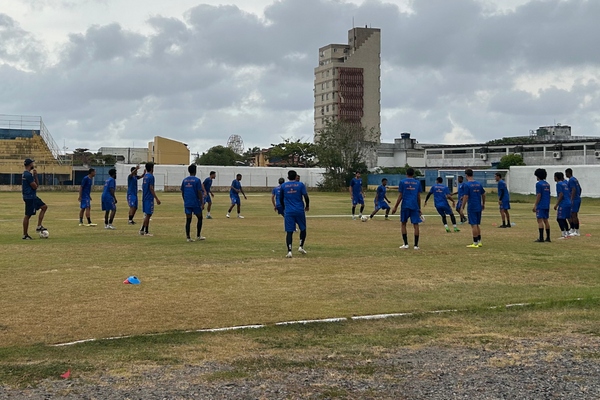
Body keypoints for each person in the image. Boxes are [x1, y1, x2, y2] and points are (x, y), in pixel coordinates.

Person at [279, 170, 309, 258]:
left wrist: (284, 207)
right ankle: (300, 246)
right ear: (296, 176)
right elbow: (306, 196)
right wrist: (307, 206)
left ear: (287, 177)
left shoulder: (284, 186)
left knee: (289, 231)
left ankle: (289, 251)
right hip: (299, 210)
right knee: (303, 228)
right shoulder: (300, 185)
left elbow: (281, 198)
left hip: (289, 211)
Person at [391, 168, 422, 250]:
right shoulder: (417, 183)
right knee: (416, 225)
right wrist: (419, 208)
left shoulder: (402, 182)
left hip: (405, 205)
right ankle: (416, 245)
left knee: (403, 224)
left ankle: (406, 244)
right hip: (414, 205)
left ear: (406, 173)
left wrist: (395, 207)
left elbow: (400, 195)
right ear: (413, 174)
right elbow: (419, 196)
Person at [22, 159, 48, 239]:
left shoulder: (26, 174)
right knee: (28, 215)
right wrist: (35, 178)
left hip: (32, 196)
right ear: (30, 164)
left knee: (44, 207)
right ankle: (25, 235)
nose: (33, 164)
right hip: (30, 197)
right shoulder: (28, 175)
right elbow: (35, 186)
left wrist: (35, 176)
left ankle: (39, 226)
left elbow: (36, 185)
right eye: (32, 163)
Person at [461, 168, 486, 248]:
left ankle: (475, 242)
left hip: (472, 206)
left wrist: (462, 207)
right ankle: (479, 241)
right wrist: (483, 203)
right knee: (477, 224)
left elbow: (466, 196)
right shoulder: (478, 184)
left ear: (466, 175)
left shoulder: (467, 185)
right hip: (478, 206)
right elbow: (483, 194)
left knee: (473, 225)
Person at [181, 164, 206, 242]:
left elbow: (182, 191)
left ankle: (188, 237)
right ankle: (198, 235)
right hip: (195, 202)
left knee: (188, 220)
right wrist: (202, 203)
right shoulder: (197, 180)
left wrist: (185, 200)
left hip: (187, 202)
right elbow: (199, 192)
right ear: (195, 171)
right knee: (200, 218)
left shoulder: (184, 180)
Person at [140, 162, 161, 236]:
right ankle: (146, 231)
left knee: (147, 214)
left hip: (144, 197)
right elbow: (151, 188)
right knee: (148, 214)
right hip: (149, 198)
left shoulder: (145, 176)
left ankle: (142, 230)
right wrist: (156, 198)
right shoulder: (151, 177)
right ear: (152, 168)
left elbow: (143, 186)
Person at [532, 168, 551, 242]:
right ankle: (548, 237)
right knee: (546, 220)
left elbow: (539, 195)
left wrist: (535, 205)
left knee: (539, 220)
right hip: (546, 204)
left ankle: (541, 238)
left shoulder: (538, 184)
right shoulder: (547, 184)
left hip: (541, 204)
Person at [554, 171, 572, 240]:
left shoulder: (559, 184)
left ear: (556, 177)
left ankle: (564, 234)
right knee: (564, 218)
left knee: (559, 219)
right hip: (568, 202)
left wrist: (556, 204)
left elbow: (561, 194)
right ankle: (567, 233)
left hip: (563, 203)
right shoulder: (565, 183)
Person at [565, 168, 582, 237]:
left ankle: (577, 231)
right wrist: (578, 195)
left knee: (574, 215)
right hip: (576, 198)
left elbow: (574, 189)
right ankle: (572, 229)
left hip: (574, 200)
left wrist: (572, 199)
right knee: (571, 214)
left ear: (568, 173)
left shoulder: (571, 180)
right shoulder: (575, 179)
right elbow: (580, 189)